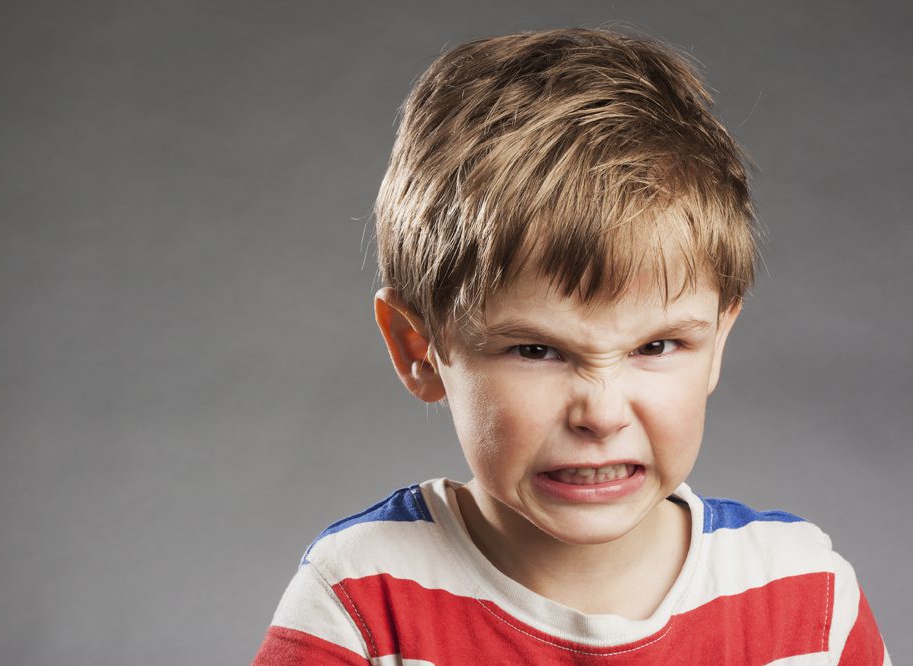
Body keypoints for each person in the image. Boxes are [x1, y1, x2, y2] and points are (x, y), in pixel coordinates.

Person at [254, 28, 889, 664]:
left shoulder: (809, 601)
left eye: (658, 345)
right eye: (536, 351)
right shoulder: (359, 606)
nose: (602, 414)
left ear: (718, 341)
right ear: (418, 349)